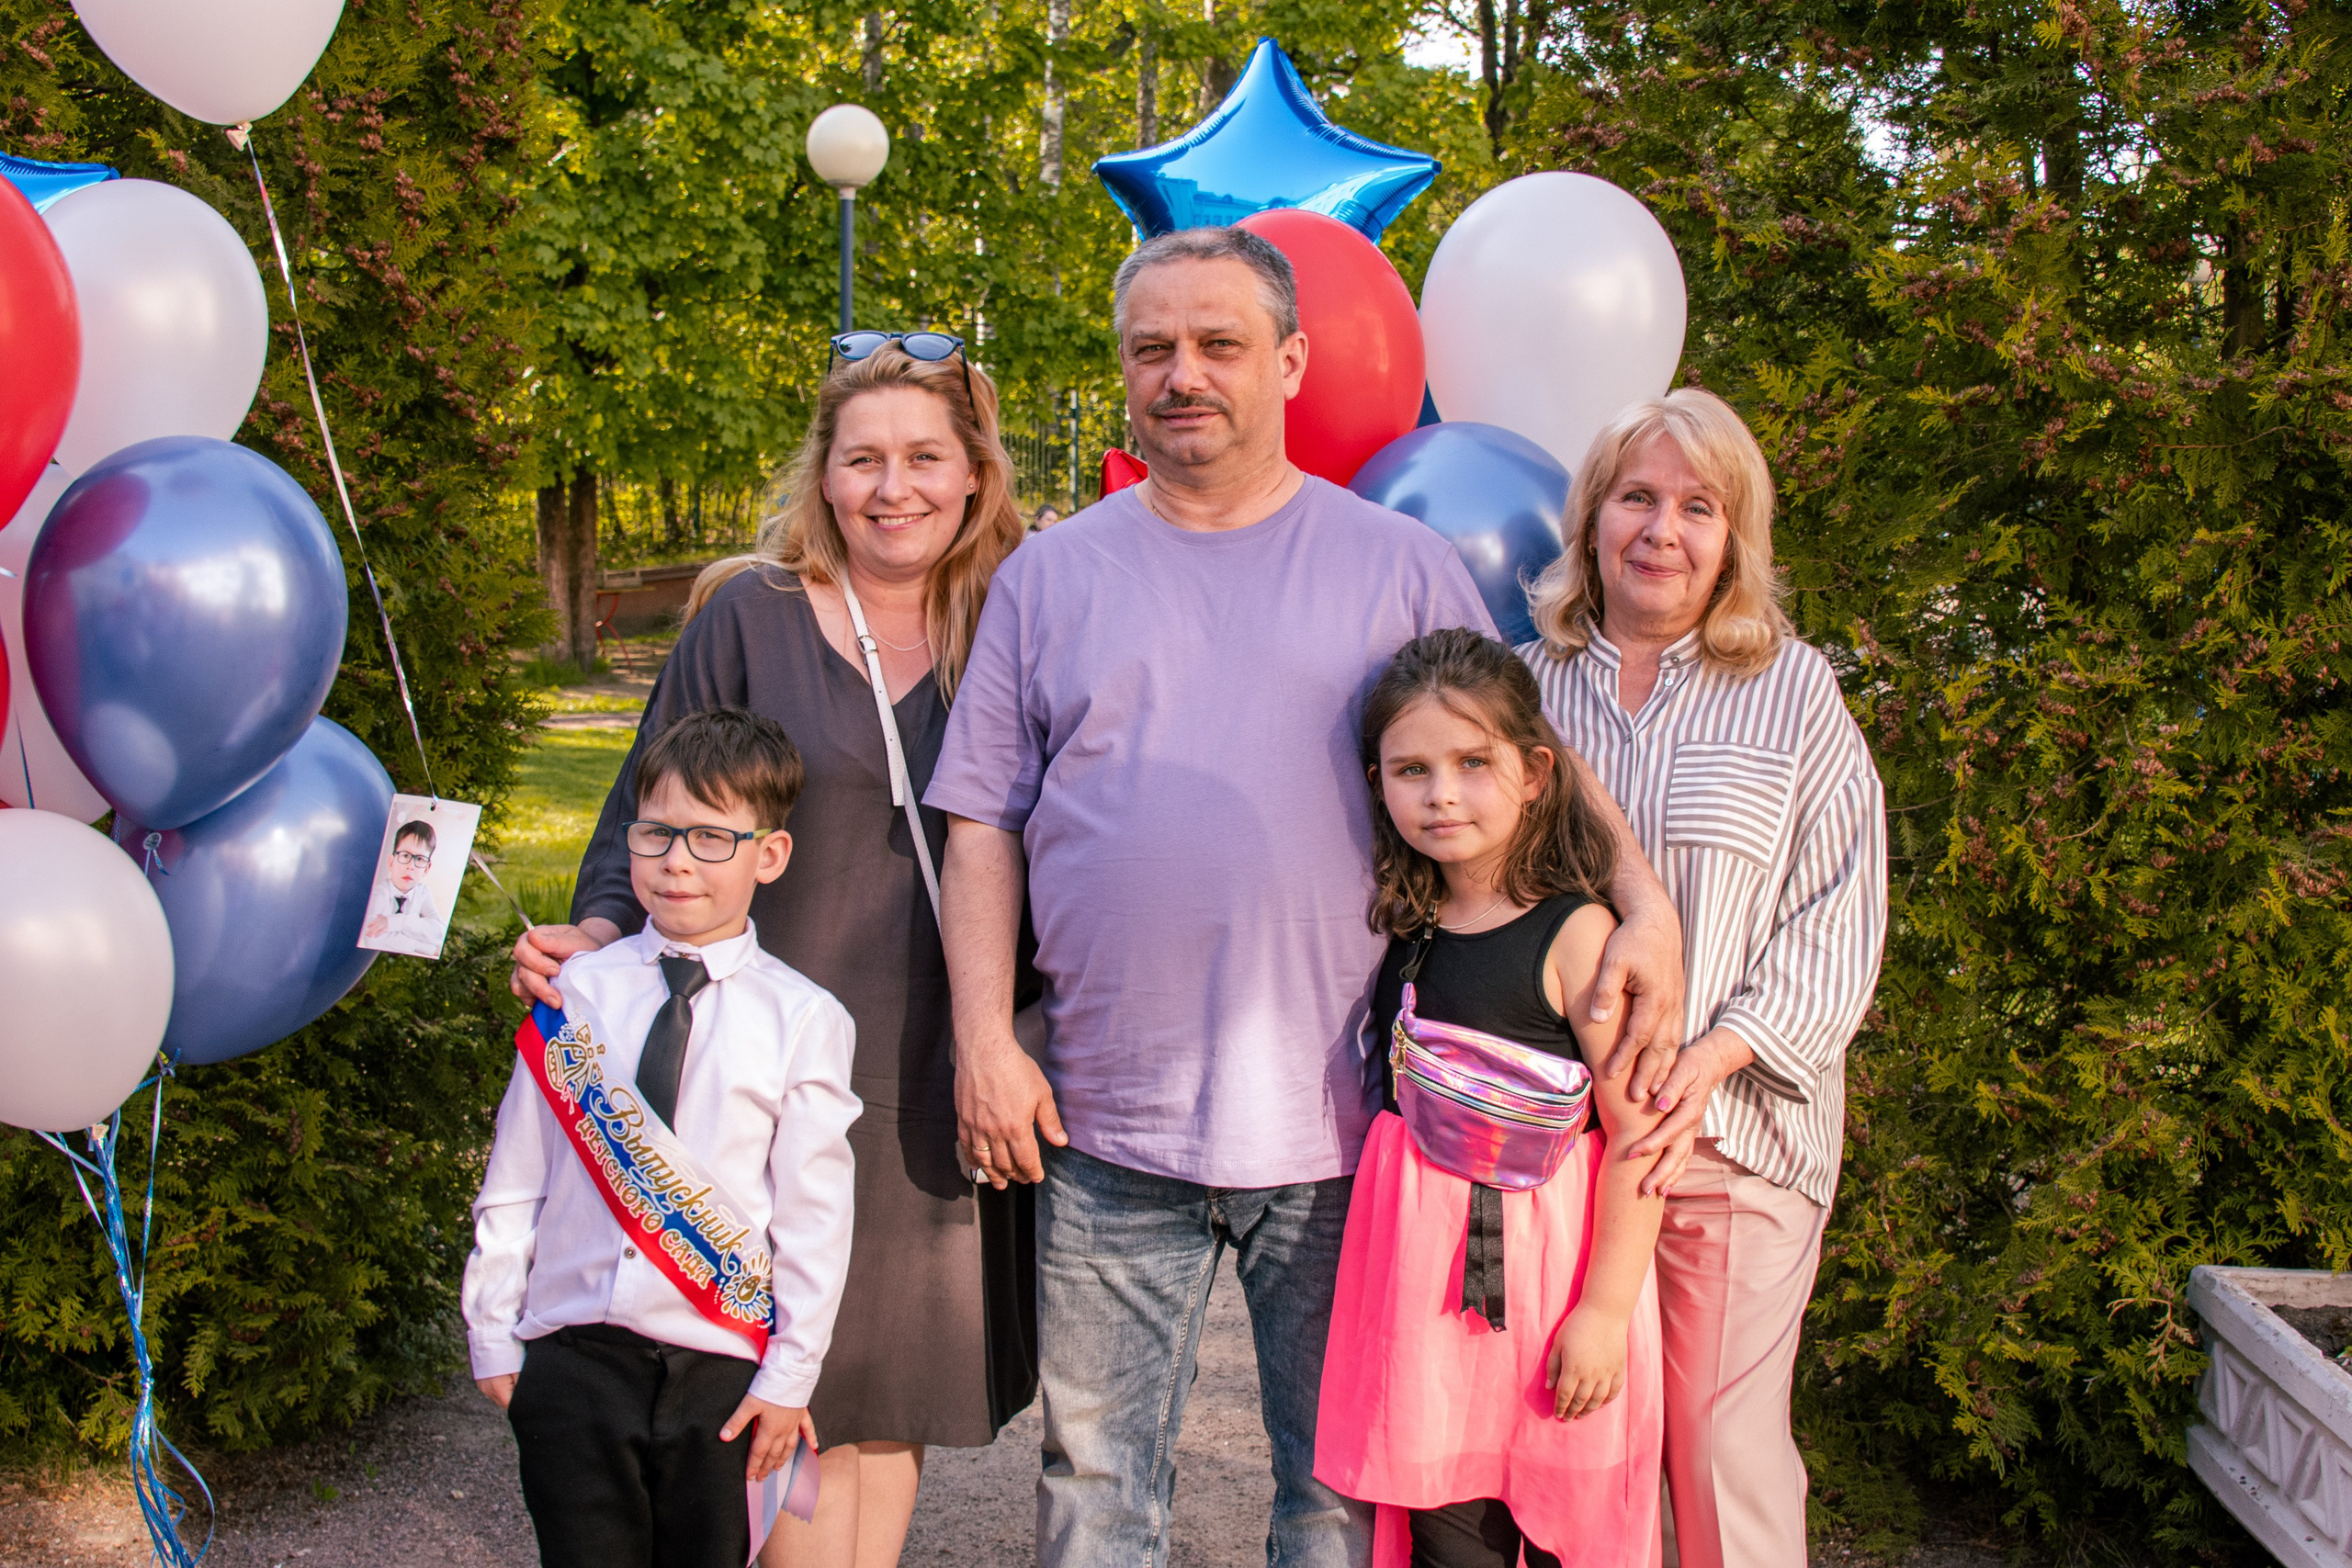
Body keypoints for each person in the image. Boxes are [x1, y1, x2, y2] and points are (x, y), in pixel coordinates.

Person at [925, 225, 1690, 1568]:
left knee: (1334, 1494)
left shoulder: (1397, 565)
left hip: (1344, 1128)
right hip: (1103, 1119)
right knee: (1096, 1484)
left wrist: (1646, 906)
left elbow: (1525, 755)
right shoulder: (1048, 576)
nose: (1183, 374)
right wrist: (984, 1039)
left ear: (1287, 362)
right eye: (1152, 349)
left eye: (1218, 343)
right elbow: (980, 819)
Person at [509, 337, 1035, 1568]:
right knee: (772, 1380)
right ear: (823, 473)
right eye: (862, 459)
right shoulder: (751, 616)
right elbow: (648, 798)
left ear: (974, 472)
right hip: (749, 1064)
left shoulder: (1018, 620)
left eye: (924, 458)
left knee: (887, 1388)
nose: (892, 488)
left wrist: (1017, 1041)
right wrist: (601, 930)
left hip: (937, 1060)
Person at [1518, 389, 1888, 1568]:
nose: (1661, 531)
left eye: (1697, 507)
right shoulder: (1521, 691)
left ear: (1734, 537)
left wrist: (1714, 1058)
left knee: (1720, 1454)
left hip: (1731, 1141)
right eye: (1636, 498)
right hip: (1554, 1153)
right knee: (1569, 1456)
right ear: (1590, 518)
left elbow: (1840, 913)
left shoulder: (1792, 692)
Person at [464, 706, 862, 1568]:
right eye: (657, 833)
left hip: (721, 1369)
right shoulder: (577, 992)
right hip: (573, 1356)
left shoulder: (804, 1020)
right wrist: (493, 1325)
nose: (678, 859)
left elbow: (815, 1220)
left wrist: (790, 1376)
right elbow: (516, 1173)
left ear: (769, 855)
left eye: (712, 837)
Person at [1316, 629, 1669, 1568]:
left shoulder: (1577, 934)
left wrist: (1604, 1312)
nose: (1442, 793)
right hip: (1426, 1316)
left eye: (1474, 763)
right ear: (1378, 783)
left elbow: (1639, 1137)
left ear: (1535, 773)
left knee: (1562, 1531)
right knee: (1447, 1540)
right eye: (1413, 770)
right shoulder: (1403, 927)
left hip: (1555, 1300)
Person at [361, 818, 442, 954]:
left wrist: (396, 922)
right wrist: (428, 948)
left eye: (420, 859)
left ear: (427, 868)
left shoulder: (422, 892)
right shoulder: (380, 893)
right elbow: (372, 937)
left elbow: (438, 932)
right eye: (405, 856)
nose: (410, 866)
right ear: (391, 862)